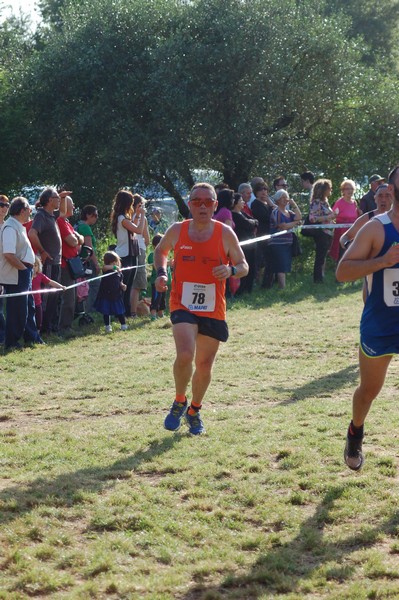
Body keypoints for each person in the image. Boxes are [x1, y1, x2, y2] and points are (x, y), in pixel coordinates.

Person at [155, 182, 248, 435]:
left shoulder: (225, 233)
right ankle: (179, 400)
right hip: (182, 302)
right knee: (185, 354)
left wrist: (230, 270)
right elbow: (161, 250)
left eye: (208, 201)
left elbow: (243, 265)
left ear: (216, 205)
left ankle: (194, 410)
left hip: (213, 307)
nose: (203, 206)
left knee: (204, 365)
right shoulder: (178, 230)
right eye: (197, 201)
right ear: (190, 204)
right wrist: (162, 273)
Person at [336, 165, 399, 471]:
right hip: (381, 324)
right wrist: (383, 261)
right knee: (368, 391)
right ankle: (355, 431)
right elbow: (342, 272)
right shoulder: (376, 227)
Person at [0, 197, 43, 350]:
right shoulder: (11, 228)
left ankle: (31, 337)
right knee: (17, 309)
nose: (31, 211)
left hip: (22, 271)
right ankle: (12, 342)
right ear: (22, 210)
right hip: (17, 273)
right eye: (28, 209)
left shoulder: (17, 225)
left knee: (28, 306)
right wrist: (24, 270)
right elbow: (9, 254)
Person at [28, 187, 63, 333]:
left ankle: (51, 327)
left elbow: (65, 211)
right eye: (57, 197)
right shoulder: (41, 215)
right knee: (47, 297)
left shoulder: (51, 215)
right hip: (48, 263)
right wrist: (42, 251)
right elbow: (32, 233)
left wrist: (63, 197)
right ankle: (43, 328)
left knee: (55, 296)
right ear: (49, 200)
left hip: (56, 262)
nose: (59, 200)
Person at [110, 190, 146, 317]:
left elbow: (134, 228)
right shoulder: (121, 218)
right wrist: (142, 215)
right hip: (124, 255)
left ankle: (125, 311)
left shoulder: (125, 217)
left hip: (132, 253)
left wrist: (136, 215)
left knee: (129, 285)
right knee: (124, 285)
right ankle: (120, 311)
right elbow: (138, 230)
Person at [57, 195, 84, 335]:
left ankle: (66, 326)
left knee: (72, 297)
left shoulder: (66, 221)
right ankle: (64, 328)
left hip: (71, 264)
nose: (73, 207)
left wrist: (77, 238)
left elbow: (80, 238)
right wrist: (77, 238)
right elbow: (73, 241)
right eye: (71, 204)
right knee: (68, 299)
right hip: (64, 264)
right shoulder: (60, 221)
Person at [339, 183, 393, 252]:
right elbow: (344, 237)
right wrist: (349, 245)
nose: (383, 199)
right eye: (380, 196)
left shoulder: (396, 216)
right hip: (373, 260)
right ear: (375, 198)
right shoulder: (367, 218)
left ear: (393, 197)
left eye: (387, 196)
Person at [269, 190, 302, 289]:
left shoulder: (289, 212)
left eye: (286, 197)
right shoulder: (276, 212)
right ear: (277, 200)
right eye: (282, 197)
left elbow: (299, 217)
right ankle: (282, 287)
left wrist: (294, 204)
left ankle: (282, 286)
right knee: (281, 266)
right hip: (278, 243)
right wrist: (295, 223)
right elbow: (283, 226)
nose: (284, 199)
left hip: (288, 242)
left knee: (285, 264)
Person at [308, 179, 335, 283]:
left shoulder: (325, 202)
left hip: (328, 232)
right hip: (321, 233)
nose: (330, 190)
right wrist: (329, 217)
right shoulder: (316, 202)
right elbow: (312, 218)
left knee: (323, 256)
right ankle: (317, 279)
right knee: (320, 257)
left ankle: (320, 278)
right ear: (323, 190)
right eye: (329, 188)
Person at [94, 251, 128, 333]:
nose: (115, 264)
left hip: (116, 295)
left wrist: (123, 286)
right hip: (106, 294)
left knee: (120, 311)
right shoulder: (106, 270)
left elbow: (120, 282)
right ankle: (107, 326)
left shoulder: (119, 273)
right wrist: (114, 267)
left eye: (116, 262)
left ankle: (123, 325)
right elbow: (105, 267)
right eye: (112, 262)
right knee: (106, 311)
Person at [75, 205, 100, 314]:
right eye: (95, 215)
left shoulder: (77, 225)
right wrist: (96, 264)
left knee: (83, 286)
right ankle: (89, 310)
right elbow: (90, 248)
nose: (96, 218)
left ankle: (83, 310)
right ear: (88, 215)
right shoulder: (85, 227)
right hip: (87, 261)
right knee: (94, 284)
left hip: (79, 261)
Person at [231, 192, 258, 294]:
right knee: (244, 268)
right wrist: (253, 223)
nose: (243, 202)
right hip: (243, 246)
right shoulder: (234, 215)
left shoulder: (243, 213)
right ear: (235, 203)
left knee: (252, 268)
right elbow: (249, 224)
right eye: (241, 200)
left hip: (251, 245)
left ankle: (249, 290)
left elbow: (256, 221)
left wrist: (253, 222)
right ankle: (241, 290)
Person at [329, 179, 361, 263]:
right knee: (341, 257)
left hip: (353, 233)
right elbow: (332, 216)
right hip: (341, 234)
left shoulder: (354, 203)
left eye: (351, 189)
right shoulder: (339, 202)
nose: (349, 191)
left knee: (351, 256)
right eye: (347, 189)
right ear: (343, 190)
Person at [251, 181, 275, 288]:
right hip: (261, 235)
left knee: (270, 260)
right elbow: (266, 217)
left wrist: (270, 205)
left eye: (265, 189)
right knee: (260, 261)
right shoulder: (255, 204)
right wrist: (271, 207)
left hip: (271, 233)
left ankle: (268, 283)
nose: (264, 192)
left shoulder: (268, 203)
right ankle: (257, 282)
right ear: (256, 192)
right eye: (261, 190)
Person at [32, 255, 65, 332]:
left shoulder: (40, 276)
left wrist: (61, 286)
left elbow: (50, 282)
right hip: (28, 302)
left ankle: (38, 334)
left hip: (38, 303)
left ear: (39, 266)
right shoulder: (27, 277)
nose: (33, 267)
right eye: (32, 265)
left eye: (35, 265)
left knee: (39, 320)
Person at [130, 195, 150, 317]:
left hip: (128, 250)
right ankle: (133, 312)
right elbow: (146, 238)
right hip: (139, 249)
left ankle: (129, 310)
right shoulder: (142, 218)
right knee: (137, 284)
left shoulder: (125, 217)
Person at [148, 233, 170, 320]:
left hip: (164, 283)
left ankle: (161, 312)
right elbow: (154, 265)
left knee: (162, 298)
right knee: (156, 298)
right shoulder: (152, 255)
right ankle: (153, 314)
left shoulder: (165, 256)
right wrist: (168, 263)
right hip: (156, 282)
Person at [0, 194, 10, 345]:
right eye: (1, 204)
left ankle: (2, 337)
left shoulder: (9, 225)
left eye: (6, 205)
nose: (4, 208)